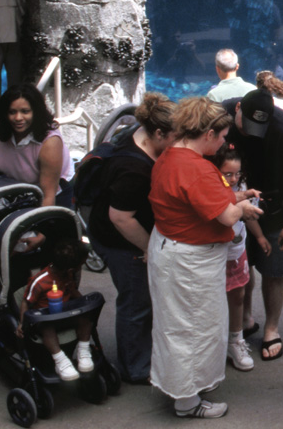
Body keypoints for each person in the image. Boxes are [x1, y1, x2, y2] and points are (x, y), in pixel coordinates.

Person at [148, 97, 262, 419]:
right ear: (208, 134)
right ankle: (187, 402)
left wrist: (238, 194)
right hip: (189, 261)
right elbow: (226, 217)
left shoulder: (169, 156)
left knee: (177, 326)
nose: (226, 142)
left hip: (171, 250)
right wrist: (242, 207)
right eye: (223, 136)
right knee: (194, 329)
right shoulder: (197, 168)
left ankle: (185, 386)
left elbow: (199, 201)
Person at [86, 92, 177, 384]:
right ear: (158, 133)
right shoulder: (134, 169)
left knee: (141, 300)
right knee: (136, 303)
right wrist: (150, 247)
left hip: (119, 230)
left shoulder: (136, 132)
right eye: (175, 137)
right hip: (119, 241)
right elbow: (121, 218)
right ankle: (135, 368)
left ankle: (141, 355)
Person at [221, 88, 283, 363]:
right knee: (240, 269)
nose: (251, 133)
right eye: (246, 125)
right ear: (237, 108)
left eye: (259, 127)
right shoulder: (221, 118)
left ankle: (271, 327)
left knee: (274, 272)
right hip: (233, 206)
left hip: (275, 208)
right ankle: (245, 320)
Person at [211, 144, 267, 373]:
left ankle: (235, 340)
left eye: (237, 173)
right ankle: (215, 344)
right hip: (214, 252)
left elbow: (248, 214)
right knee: (213, 298)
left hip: (236, 250)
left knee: (238, 295)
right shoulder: (210, 188)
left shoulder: (242, 187)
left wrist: (261, 237)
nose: (233, 179)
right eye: (227, 174)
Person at [16, 237, 95, 381]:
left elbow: (72, 291)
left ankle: (83, 351)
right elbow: (26, 303)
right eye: (81, 265)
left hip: (64, 314)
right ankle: (60, 360)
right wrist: (22, 323)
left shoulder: (67, 274)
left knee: (85, 318)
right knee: (47, 329)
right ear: (71, 268)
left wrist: (84, 303)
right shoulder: (40, 282)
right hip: (46, 318)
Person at [0, 84, 72, 207]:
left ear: (36, 112)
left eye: (25, 111)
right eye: (12, 112)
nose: (18, 118)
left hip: (48, 196)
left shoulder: (50, 142)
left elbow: (48, 197)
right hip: (9, 191)